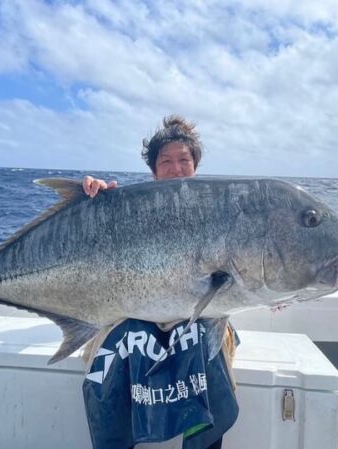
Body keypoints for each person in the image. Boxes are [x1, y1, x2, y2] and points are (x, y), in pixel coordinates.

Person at [82, 115, 238, 449]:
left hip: (195, 313)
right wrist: (96, 204)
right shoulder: (130, 210)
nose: (176, 168)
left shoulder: (217, 213)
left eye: (185, 160)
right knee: (119, 346)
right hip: (139, 310)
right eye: (166, 161)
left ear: (196, 167)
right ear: (153, 171)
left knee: (205, 343)